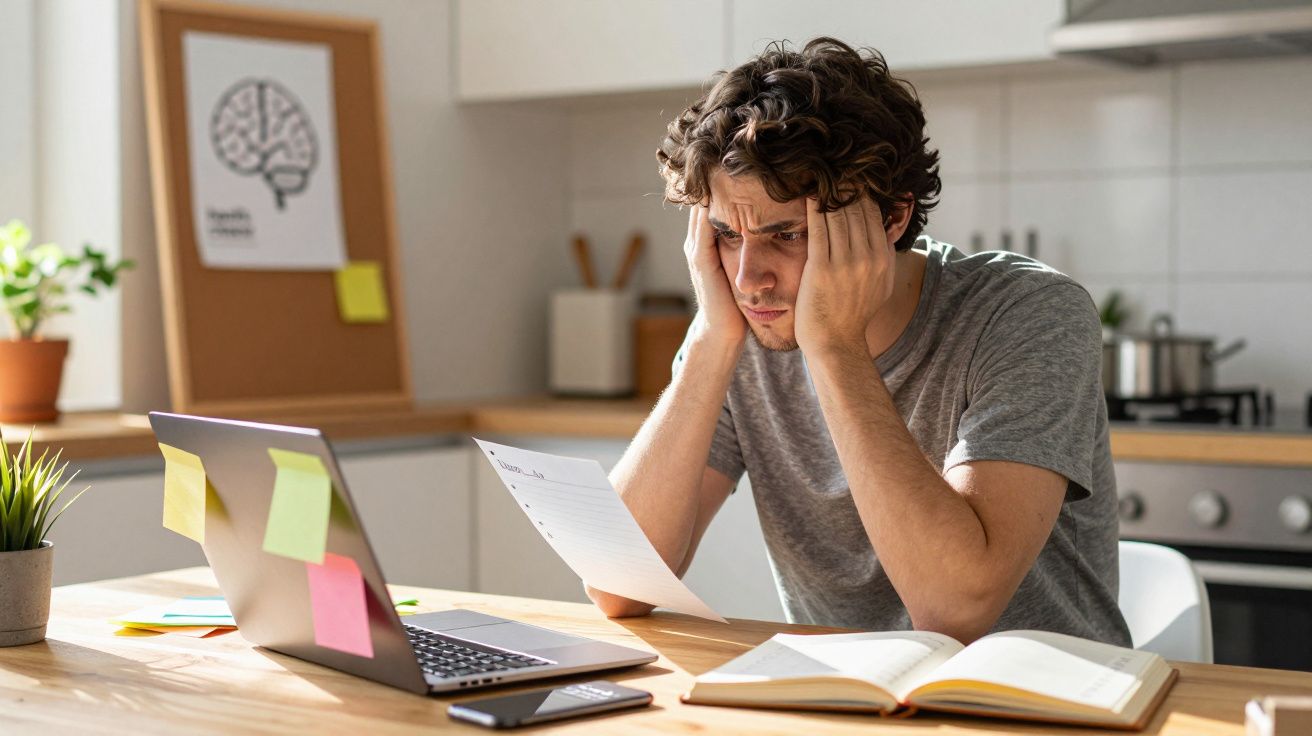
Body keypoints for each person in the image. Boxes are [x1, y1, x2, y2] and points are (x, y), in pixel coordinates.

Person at [585, 37, 1130, 646]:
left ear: (891, 218)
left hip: (1047, 705)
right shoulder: (743, 321)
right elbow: (617, 583)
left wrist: (835, 347)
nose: (747, 278)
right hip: (845, 703)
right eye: (726, 236)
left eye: (787, 233)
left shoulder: (1025, 312)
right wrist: (712, 338)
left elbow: (955, 609)